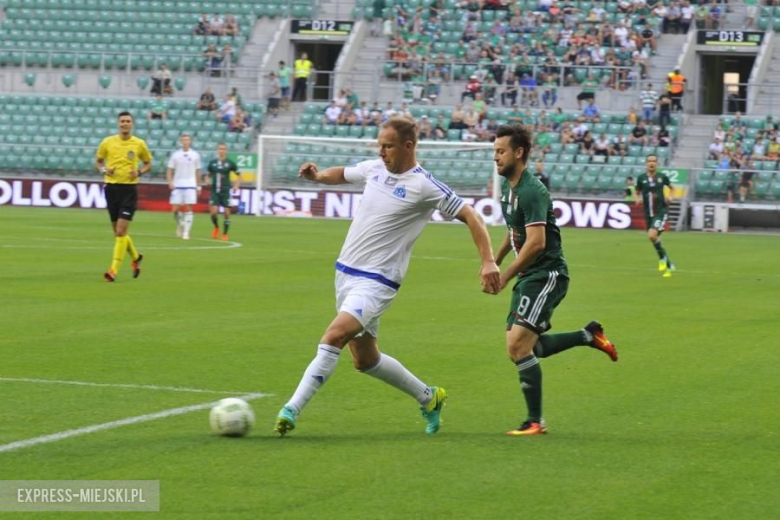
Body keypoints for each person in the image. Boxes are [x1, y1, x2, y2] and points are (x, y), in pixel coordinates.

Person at [274, 116, 501, 437]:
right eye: (380, 145)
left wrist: (488, 261)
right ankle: (429, 397)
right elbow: (344, 173)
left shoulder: (424, 185)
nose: (381, 151)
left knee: (334, 336)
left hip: (377, 282)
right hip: (344, 274)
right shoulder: (375, 169)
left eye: (388, 146)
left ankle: (291, 409)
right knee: (365, 360)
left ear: (408, 146)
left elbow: (471, 216)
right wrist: (318, 176)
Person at [490, 124, 618, 436]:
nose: (495, 158)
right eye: (494, 152)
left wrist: (504, 275)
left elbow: (536, 242)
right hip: (529, 275)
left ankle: (536, 422)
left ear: (519, 153)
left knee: (518, 345)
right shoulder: (510, 188)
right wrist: (495, 262)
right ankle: (588, 335)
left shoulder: (533, 191)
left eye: (501, 151)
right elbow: (514, 231)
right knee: (526, 347)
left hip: (546, 274)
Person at [95, 111, 153, 282]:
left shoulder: (139, 144)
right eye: (122, 121)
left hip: (129, 190)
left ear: (132, 124)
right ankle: (135, 257)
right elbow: (98, 162)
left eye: (128, 121)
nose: (125, 124)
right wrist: (104, 170)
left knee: (121, 231)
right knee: (118, 233)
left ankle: (113, 270)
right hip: (111, 189)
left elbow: (148, 163)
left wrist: (139, 171)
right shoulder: (107, 142)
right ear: (118, 124)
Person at [635, 154, 676, 277]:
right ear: (646, 163)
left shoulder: (662, 177)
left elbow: (672, 188)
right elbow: (637, 191)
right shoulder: (641, 178)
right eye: (649, 161)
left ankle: (664, 261)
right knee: (653, 239)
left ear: (657, 163)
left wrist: (670, 196)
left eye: (654, 161)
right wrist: (637, 198)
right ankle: (668, 264)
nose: (651, 163)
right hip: (648, 213)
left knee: (652, 235)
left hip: (660, 211)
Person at [166, 134, 203, 240]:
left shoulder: (195, 155)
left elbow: (198, 171)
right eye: (183, 140)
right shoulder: (175, 155)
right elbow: (169, 169)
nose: (185, 142)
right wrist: (170, 181)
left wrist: (199, 186)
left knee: (189, 208)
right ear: (181, 142)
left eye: (187, 140)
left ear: (190, 141)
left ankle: (186, 232)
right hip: (177, 184)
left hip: (190, 185)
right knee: (175, 209)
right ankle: (180, 223)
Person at [206, 143, 240, 240]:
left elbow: (239, 175)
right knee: (213, 213)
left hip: (225, 192)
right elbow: (207, 174)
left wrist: (236, 185)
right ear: (217, 150)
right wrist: (207, 180)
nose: (222, 150)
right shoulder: (212, 163)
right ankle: (216, 227)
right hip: (214, 191)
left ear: (226, 150)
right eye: (220, 149)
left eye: (224, 149)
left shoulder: (230, 163)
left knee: (227, 213)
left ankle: (225, 233)